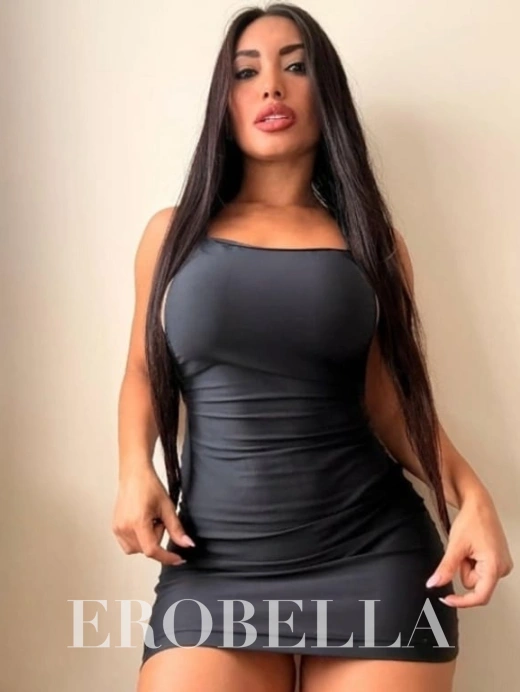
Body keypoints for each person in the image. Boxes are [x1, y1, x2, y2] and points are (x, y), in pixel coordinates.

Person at [112, 4, 514, 691]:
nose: (271, 85)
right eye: (247, 72)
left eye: (295, 66)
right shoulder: (171, 235)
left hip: (373, 555)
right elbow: (143, 371)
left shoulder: (374, 246)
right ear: (224, 103)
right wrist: (132, 469)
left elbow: (390, 405)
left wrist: (470, 494)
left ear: (327, 95)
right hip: (213, 566)